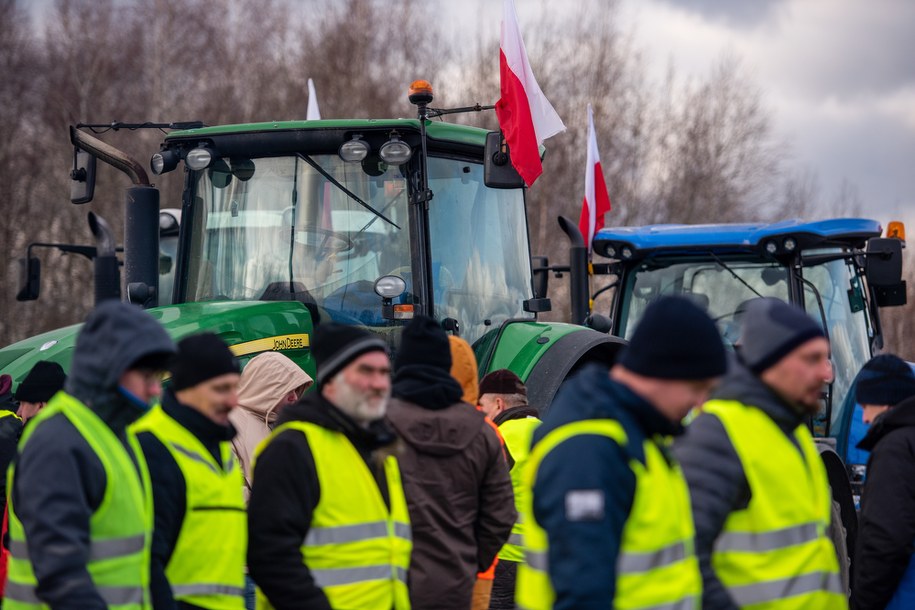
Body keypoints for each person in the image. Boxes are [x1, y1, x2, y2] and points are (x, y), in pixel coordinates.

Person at [517, 296, 726, 610]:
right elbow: (582, 596)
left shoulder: (641, 439)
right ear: (666, 370)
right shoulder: (590, 450)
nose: (699, 405)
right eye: (698, 389)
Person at [674, 297, 847, 609]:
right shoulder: (718, 437)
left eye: (827, 360)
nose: (827, 374)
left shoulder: (792, 435)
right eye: (812, 359)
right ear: (772, 362)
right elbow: (680, 559)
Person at [5, 300, 176, 610]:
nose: (155, 390)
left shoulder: (116, 436)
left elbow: (142, 562)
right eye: (147, 377)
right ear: (110, 370)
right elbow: (62, 577)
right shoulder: (57, 443)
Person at [247, 323, 410, 610]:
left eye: (384, 372)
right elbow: (271, 558)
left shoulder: (381, 448)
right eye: (365, 371)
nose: (379, 383)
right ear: (332, 381)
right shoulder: (292, 448)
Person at [386, 316, 516, 610]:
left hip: (389, 587)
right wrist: (469, 562)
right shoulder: (483, 432)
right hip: (456, 588)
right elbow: (502, 514)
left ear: (402, 362)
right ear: (447, 365)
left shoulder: (377, 427)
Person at [132, 333, 246, 610]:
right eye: (221, 389)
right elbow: (143, 564)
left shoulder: (219, 447)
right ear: (186, 388)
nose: (233, 401)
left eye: (235, 388)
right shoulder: (150, 445)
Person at [850, 354, 915, 610]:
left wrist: (863, 604)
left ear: (886, 400)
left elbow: (885, 540)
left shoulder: (895, 448)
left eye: (866, 405)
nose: (864, 418)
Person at [476, 369, 541, 610]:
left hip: (503, 556)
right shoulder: (549, 433)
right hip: (540, 559)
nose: (480, 412)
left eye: (481, 405)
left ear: (499, 404)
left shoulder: (498, 436)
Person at [230, 351, 313, 499]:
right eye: (287, 390)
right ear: (266, 388)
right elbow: (229, 492)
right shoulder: (229, 425)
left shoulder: (289, 424)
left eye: (297, 389)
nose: (295, 397)